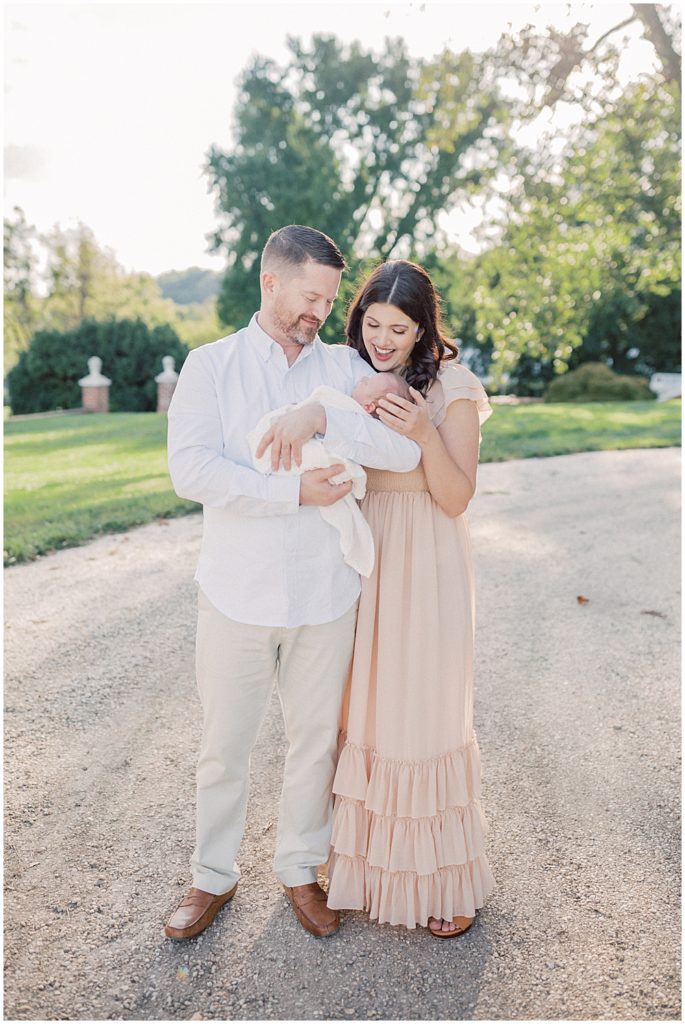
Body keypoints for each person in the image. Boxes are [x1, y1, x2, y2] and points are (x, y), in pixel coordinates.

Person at [163, 225, 420, 941]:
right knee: (225, 745)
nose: (320, 311)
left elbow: (398, 447)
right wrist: (291, 492)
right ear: (270, 282)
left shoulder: (341, 367)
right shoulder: (210, 365)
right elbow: (192, 471)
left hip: (325, 594)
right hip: (236, 594)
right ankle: (211, 876)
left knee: (313, 742)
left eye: (329, 299)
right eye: (310, 296)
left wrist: (327, 412)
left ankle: (300, 870)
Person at [326, 259, 495, 937]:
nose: (383, 339)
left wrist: (424, 430)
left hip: (427, 554)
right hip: (364, 554)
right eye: (372, 324)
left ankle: (442, 875)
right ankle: (363, 866)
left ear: (425, 329)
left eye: (398, 328)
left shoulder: (452, 385)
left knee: (423, 711)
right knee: (364, 707)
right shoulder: (346, 376)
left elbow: (455, 497)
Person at [248, 372, 412, 577]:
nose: (362, 378)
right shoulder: (211, 362)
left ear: (369, 407)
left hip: (332, 580)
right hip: (254, 566)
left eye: (367, 382)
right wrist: (294, 490)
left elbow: (408, 454)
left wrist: (322, 419)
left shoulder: (348, 366)